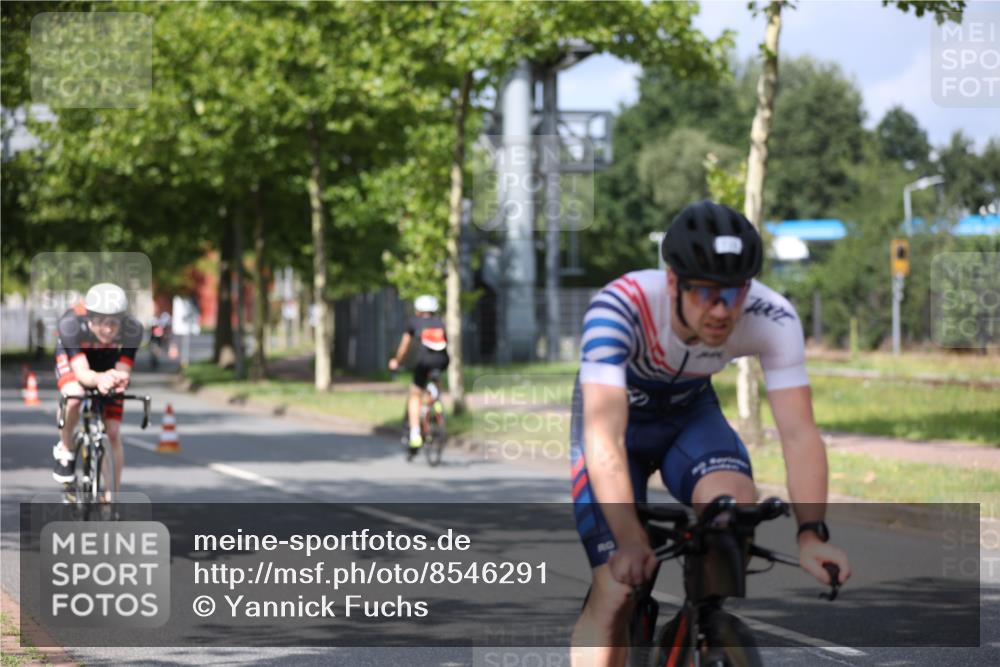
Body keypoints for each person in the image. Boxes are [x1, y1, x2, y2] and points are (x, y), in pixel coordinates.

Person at [569, 201, 852, 666]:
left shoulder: (771, 315)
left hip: (689, 414)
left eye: (735, 292)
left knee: (733, 513)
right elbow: (603, 439)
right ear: (674, 281)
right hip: (619, 427)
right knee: (616, 586)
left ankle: (700, 628)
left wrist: (810, 535)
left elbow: (799, 434)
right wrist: (630, 537)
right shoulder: (620, 306)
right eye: (705, 293)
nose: (722, 310)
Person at [52, 283, 143, 494]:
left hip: (105, 359)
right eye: (102, 322)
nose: (109, 329)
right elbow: (82, 373)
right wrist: (99, 379)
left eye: (114, 323)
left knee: (112, 432)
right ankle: (65, 449)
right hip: (76, 358)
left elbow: (123, 369)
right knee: (74, 395)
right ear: (89, 317)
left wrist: (117, 379)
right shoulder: (71, 324)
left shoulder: (133, 328)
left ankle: (112, 495)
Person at [388, 295, 449, 452]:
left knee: (415, 394)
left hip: (423, 363)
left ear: (418, 310)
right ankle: (435, 402)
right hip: (442, 362)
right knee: (434, 380)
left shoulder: (414, 322)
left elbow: (404, 347)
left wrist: (397, 361)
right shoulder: (440, 323)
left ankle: (415, 434)